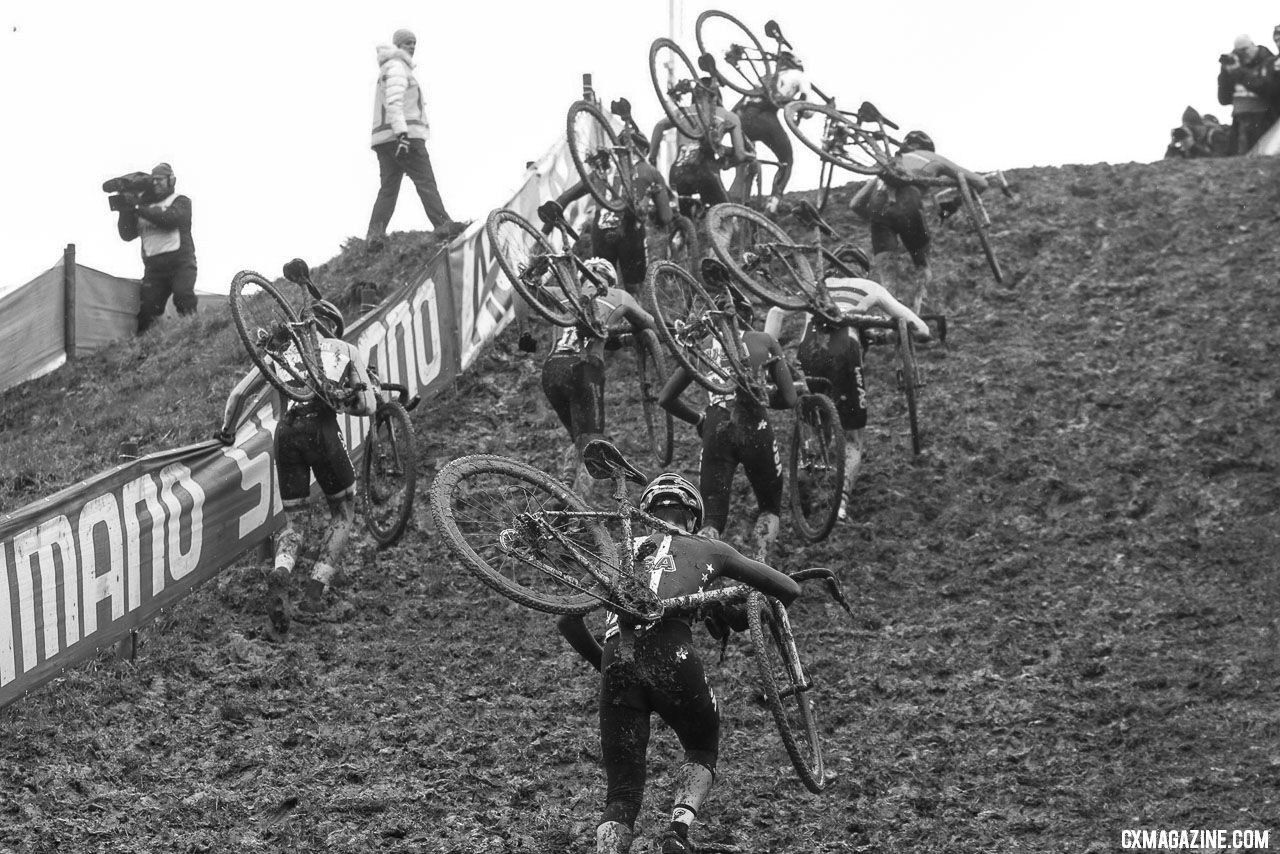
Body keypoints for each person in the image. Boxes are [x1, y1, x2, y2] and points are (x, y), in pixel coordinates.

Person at [556, 473, 800, 854]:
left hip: (617, 660)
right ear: (693, 517)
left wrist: (604, 667)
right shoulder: (709, 547)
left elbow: (566, 620)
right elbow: (789, 588)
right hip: (673, 652)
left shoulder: (616, 553)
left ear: (647, 512)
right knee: (702, 746)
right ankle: (677, 830)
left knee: (621, 793)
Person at [217, 299, 376, 632]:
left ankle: (282, 573)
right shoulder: (345, 349)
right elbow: (368, 405)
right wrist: (346, 401)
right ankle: (314, 594)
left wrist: (227, 432)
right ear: (332, 326)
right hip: (322, 428)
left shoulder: (281, 353)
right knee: (343, 509)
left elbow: (237, 395)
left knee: (295, 521)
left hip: (286, 433)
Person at [658, 259, 796, 558]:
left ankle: (704, 579)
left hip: (716, 426)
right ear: (746, 316)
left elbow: (666, 398)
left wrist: (698, 419)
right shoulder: (765, 340)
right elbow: (790, 399)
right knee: (770, 507)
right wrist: (761, 396)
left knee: (712, 518)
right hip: (755, 424)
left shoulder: (702, 346)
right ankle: (760, 566)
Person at [764, 275, 931, 518]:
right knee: (853, 437)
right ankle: (840, 504)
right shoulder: (869, 287)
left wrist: (771, 362)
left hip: (809, 349)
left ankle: (805, 476)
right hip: (846, 348)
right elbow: (922, 330)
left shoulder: (816, 285)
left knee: (813, 426)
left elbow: (776, 312)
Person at [540, 257, 657, 494]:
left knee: (578, 438)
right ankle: (578, 513)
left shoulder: (561, 292)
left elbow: (522, 290)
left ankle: (562, 492)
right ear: (610, 279)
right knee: (591, 445)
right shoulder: (617, 295)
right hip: (585, 369)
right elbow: (649, 324)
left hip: (551, 370)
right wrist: (631, 331)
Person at [848, 130, 990, 314]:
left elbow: (855, 204)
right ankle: (917, 313)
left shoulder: (888, 167)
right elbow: (981, 183)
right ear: (927, 147)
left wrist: (882, 218)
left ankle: (889, 323)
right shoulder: (932, 157)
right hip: (909, 203)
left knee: (888, 279)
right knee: (922, 265)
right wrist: (956, 198)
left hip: (878, 209)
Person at [366, 28, 463, 252]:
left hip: (384, 140)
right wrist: (402, 135)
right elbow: (394, 102)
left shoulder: (388, 69)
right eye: (407, 43)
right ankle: (444, 226)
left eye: (414, 43)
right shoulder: (398, 68)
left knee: (388, 189)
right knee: (425, 182)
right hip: (404, 137)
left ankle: (374, 237)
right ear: (397, 45)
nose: (412, 47)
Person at [546, 129, 676, 290]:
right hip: (631, 231)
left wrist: (544, 232)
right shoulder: (650, 172)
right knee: (633, 289)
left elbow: (564, 198)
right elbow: (666, 217)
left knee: (602, 288)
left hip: (600, 231)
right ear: (644, 150)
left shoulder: (600, 170)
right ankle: (631, 312)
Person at [648, 78, 753, 218]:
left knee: (687, 218)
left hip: (677, 174)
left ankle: (682, 236)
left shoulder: (681, 112)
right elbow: (740, 155)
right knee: (726, 216)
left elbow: (659, 126)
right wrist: (746, 157)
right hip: (705, 172)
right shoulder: (728, 116)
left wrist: (652, 156)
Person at [115, 163, 197, 333]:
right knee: (146, 313)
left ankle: (194, 334)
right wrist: (125, 210)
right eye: (153, 181)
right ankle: (142, 350)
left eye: (160, 180)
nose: (156, 184)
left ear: (171, 180)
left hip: (180, 264)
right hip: (154, 270)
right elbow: (127, 235)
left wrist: (137, 207)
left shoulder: (181, 201)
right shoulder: (142, 209)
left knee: (183, 297)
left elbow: (170, 219)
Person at [728, 50, 811, 214]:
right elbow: (808, 111)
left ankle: (736, 211)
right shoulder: (800, 76)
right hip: (765, 116)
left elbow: (741, 101)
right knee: (786, 159)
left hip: (741, 117)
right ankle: (773, 203)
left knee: (743, 166)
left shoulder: (766, 78)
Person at [1217, 35, 1277, 155]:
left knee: (1262, 157)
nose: (1243, 54)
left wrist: (1240, 73)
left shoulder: (1269, 62)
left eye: (1245, 50)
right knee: (1239, 161)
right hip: (1240, 120)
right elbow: (1224, 99)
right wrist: (1225, 73)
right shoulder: (1236, 65)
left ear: (1253, 45)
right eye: (1239, 52)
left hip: (1264, 118)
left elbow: (1268, 89)